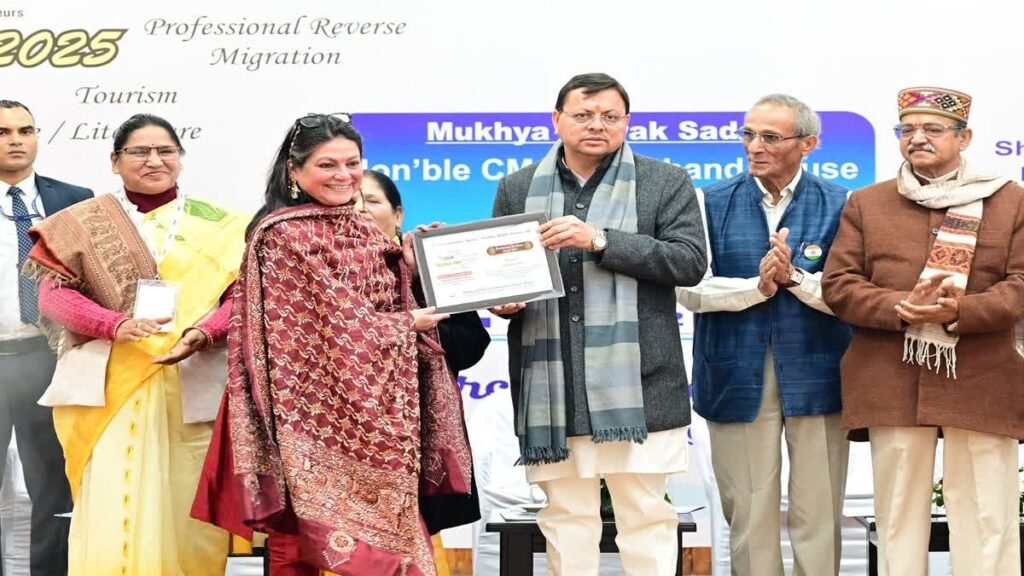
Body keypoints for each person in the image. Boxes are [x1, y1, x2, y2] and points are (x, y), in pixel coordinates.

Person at [191, 114, 472, 576]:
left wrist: (409, 269)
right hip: (306, 416)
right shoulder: (279, 236)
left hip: (379, 418)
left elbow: (375, 299)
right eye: (327, 165)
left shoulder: (364, 229)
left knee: (392, 546)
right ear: (294, 171)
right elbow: (311, 330)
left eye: (352, 163)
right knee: (300, 545)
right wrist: (406, 323)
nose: (344, 176)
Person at [491, 73, 707, 576]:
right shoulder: (517, 187)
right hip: (554, 387)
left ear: (627, 123)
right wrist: (503, 302)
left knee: (647, 517)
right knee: (565, 520)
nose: (597, 125)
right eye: (583, 115)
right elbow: (503, 269)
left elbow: (689, 262)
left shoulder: (664, 181)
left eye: (610, 116)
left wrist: (601, 240)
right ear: (557, 120)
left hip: (640, 384)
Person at [24, 113, 247, 575]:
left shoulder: (223, 224)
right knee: (112, 497)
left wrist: (203, 333)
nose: (154, 160)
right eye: (139, 151)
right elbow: (53, 294)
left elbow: (242, 296)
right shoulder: (81, 222)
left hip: (191, 380)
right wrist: (114, 324)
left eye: (165, 151)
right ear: (115, 161)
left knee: (187, 503)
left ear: (180, 158)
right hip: (111, 384)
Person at [822, 87, 1024, 576]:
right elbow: (839, 284)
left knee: (987, 513)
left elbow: (1021, 284)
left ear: (964, 138)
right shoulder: (867, 203)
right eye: (907, 129)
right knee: (897, 517)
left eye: (932, 129)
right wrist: (901, 307)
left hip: (982, 377)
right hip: (891, 377)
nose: (917, 138)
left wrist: (963, 311)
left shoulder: (1010, 201)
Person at [677, 94, 851, 576]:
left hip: (819, 372)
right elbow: (688, 289)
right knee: (749, 514)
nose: (755, 147)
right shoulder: (707, 202)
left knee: (819, 512)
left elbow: (849, 294)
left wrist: (794, 278)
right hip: (733, 373)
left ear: (808, 144)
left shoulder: (843, 204)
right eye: (749, 134)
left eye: (770, 137)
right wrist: (758, 287)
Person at [357, 168, 488, 573]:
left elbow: (471, 345)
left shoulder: (432, 268)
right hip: (349, 429)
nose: (360, 209)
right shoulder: (322, 268)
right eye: (351, 202)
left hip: (418, 432)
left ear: (398, 214)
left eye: (371, 200)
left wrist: (414, 298)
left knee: (417, 544)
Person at [0, 99, 90, 576]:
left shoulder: (75, 199)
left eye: (25, 130)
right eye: (2, 132)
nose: (16, 140)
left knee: (54, 486)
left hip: (47, 358)